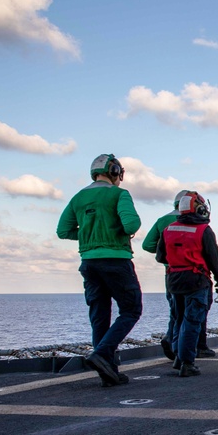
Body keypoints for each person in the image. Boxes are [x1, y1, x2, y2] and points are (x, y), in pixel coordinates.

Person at [56, 153, 142, 387]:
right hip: (116, 260)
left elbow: (63, 231)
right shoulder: (119, 194)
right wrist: (111, 235)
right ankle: (102, 354)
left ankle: (108, 373)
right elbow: (132, 225)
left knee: (99, 317)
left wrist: (89, 235)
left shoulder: (78, 198)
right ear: (115, 172)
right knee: (131, 310)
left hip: (89, 263)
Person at [155, 191, 218, 377]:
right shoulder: (204, 230)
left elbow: (160, 256)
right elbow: (214, 259)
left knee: (178, 319)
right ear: (200, 208)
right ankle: (187, 362)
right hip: (196, 280)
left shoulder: (169, 229)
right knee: (192, 321)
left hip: (174, 280)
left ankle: (178, 358)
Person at [142, 194, 216, 360]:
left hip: (172, 276)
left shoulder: (164, 223)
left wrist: (174, 256)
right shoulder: (202, 227)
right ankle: (192, 353)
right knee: (195, 315)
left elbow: (149, 246)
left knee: (176, 314)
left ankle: (174, 347)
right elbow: (212, 256)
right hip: (197, 277)